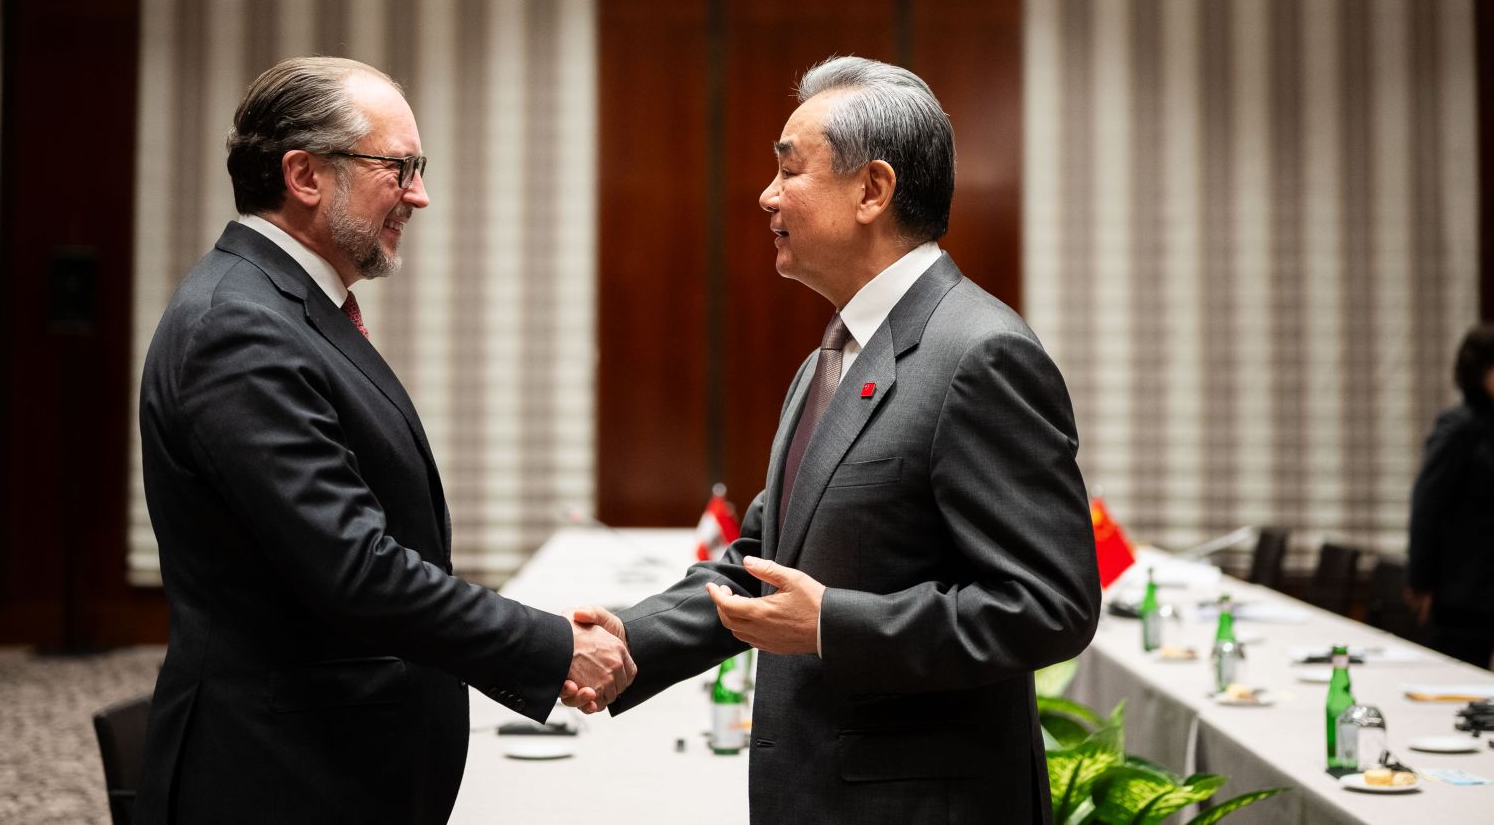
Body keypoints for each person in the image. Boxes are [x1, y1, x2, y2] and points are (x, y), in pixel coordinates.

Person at [573, 56, 1101, 823]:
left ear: (872, 190)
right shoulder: (836, 352)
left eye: (790, 170)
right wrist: (630, 638)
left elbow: (1050, 605)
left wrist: (832, 625)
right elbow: (762, 562)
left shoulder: (979, 353)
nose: (767, 195)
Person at [135, 56, 633, 824]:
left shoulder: (286, 306)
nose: (419, 195)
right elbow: (354, 568)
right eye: (398, 168)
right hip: (277, 772)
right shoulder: (238, 326)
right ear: (305, 175)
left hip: (328, 752)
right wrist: (549, 645)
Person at [1407, 320, 1494, 669]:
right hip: (1468, 590)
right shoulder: (1461, 427)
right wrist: (1420, 581)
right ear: (1478, 372)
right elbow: (1427, 505)